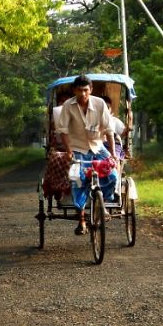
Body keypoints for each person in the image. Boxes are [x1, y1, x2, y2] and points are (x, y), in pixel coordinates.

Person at [57, 75, 118, 235]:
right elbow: (62, 130)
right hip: (78, 148)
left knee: (113, 175)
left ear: (90, 90)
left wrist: (112, 154)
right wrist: (69, 150)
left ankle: (102, 204)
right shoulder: (68, 106)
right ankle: (82, 219)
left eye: (85, 90)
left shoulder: (99, 103)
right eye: (79, 90)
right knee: (77, 180)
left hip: (98, 147)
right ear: (74, 91)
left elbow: (109, 130)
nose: (83, 94)